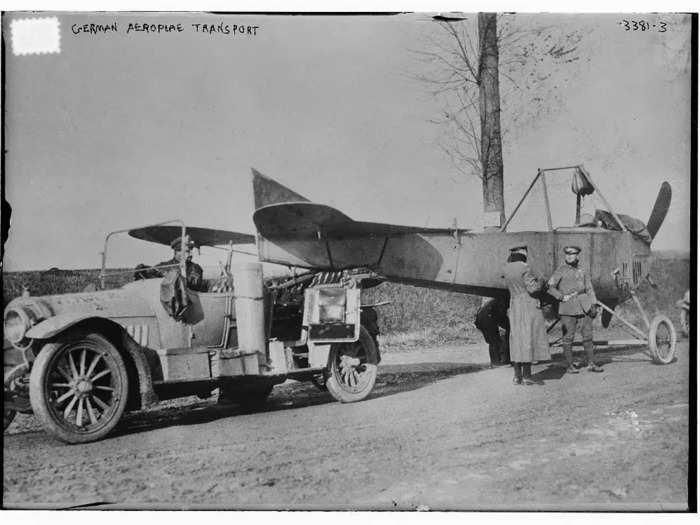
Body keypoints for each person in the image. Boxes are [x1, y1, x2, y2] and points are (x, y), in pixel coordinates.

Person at [547, 245, 603, 373]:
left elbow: (589, 288)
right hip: (568, 308)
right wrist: (560, 297)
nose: (569, 256)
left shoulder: (583, 271)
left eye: (572, 254)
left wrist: (593, 304)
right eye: (567, 254)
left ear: (577, 256)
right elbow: (550, 287)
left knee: (588, 337)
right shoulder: (560, 270)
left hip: (584, 307)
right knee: (568, 338)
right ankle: (569, 366)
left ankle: (591, 363)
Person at [502, 246, 550, 385]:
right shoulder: (525, 268)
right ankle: (527, 376)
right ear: (524, 253)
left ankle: (517, 376)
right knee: (529, 337)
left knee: (516, 340)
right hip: (528, 305)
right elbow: (533, 289)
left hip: (514, 305)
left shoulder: (506, 268)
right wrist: (541, 281)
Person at [474, 297, 510, 366]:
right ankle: (496, 362)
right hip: (486, 318)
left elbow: (501, 317)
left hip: (483, 317)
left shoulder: (495, 301)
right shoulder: (502, 301)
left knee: (494, 341)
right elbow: (501, 316)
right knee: (494, 341)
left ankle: (496, 361)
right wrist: (508, 327)